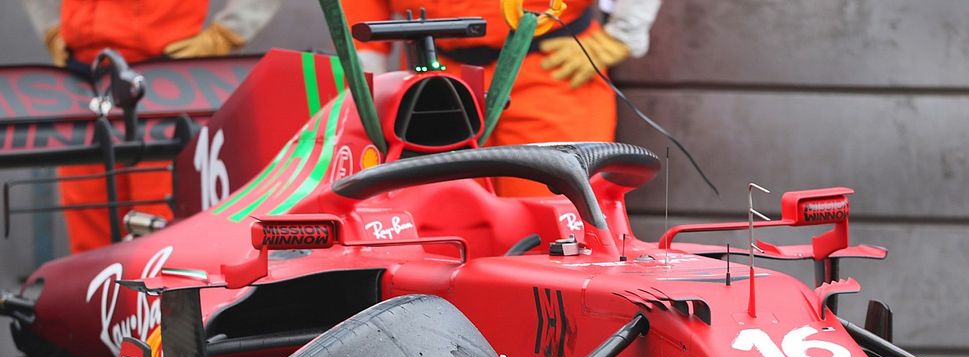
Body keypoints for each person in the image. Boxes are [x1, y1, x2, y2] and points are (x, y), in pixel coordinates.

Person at [22, 0, 281, 254]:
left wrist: (228, 33)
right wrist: (52, 29)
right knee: (89, 227)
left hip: (164, 78)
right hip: (83, 79)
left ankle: (163, 297)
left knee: (162, 229)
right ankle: (95, 295)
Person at [342, 0, 661, 196]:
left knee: (558, 216)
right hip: (433, 78)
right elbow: (361, 15)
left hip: (550, 68)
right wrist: (371, 89)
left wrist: (623, 34)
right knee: (440, 221)